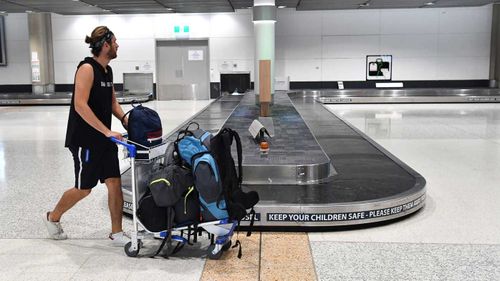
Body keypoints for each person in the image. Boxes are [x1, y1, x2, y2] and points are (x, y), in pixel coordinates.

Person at [43, 26, 130, 246]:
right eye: (116, 41)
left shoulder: (107, 70)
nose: (118, 45)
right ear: (106, 45)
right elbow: (79, 105)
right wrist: (106, 130)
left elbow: (112, 103)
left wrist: (125, 119)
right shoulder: (87, 68)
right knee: (84, 188)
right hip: (85, 140)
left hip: (104, 139)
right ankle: (52, 217)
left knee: (114, 182)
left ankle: (117, 233)